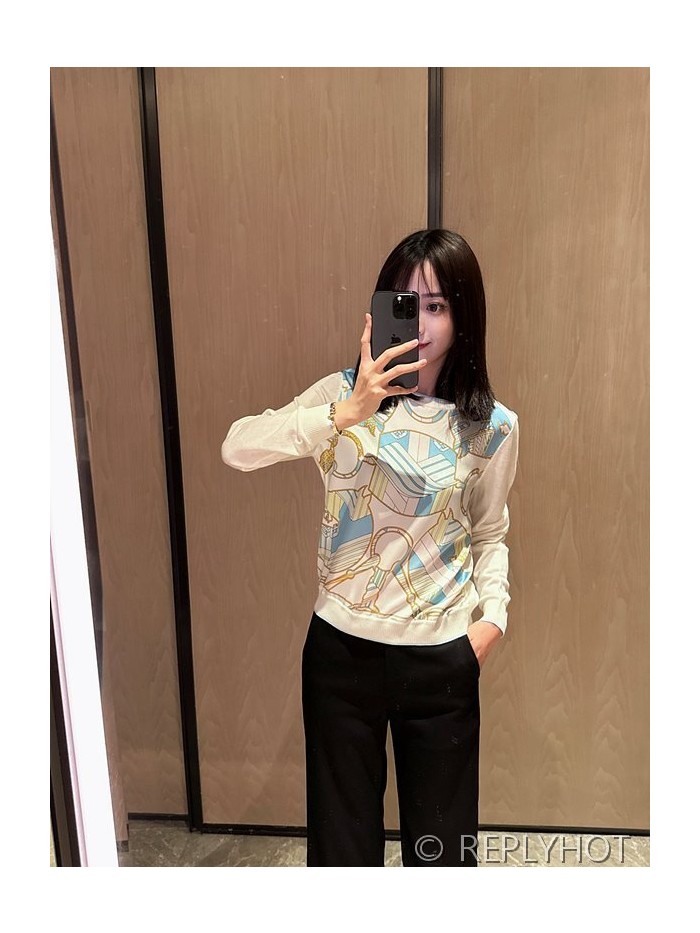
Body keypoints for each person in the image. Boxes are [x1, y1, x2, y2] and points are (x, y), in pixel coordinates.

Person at [221, 229, 519, 867]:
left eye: (437, 306)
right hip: (341, 655)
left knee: (442, 855)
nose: (421, 324)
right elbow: (237, 447)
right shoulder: (340, 397)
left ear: (464, 315)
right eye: (405, 304)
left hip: (442, 657)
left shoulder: (491, 426)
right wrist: (346, 413)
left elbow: (490, 532)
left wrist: (492, 620)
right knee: (342, 852)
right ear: (380, 311)